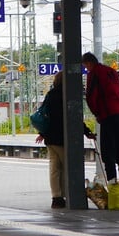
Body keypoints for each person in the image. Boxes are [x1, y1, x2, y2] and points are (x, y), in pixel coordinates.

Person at [35, 71, 96, 209]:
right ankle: (69, 195)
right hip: (64, 138)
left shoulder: (50, 95)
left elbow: (45, 115)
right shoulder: (68, 96)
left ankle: (56, 197)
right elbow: (75, 118)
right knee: (68, 167)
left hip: (50, 138)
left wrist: (42, 133)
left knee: (54, 168)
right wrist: (87, 132)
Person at [81, 52, 119, 183]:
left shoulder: (94, 74)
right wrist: (118, 106)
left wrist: (98, 114)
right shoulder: (112, 72)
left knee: (108, 155)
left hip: (108, 117)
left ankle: (113, 187)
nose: (86, 69)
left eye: (85, 66)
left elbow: (91, 97)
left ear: (89, 63)